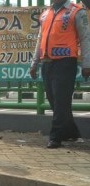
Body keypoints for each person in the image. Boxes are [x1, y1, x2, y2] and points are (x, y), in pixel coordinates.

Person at [29, 0, 90, 148]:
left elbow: (86, 38)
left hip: (65, 62)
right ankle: (72, 132)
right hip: (47, 62)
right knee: (53, 100)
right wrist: (34, 63)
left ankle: (55, 137)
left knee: (61, 101)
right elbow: (40, 39)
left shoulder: (76, 11)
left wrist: (87, 63)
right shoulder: (45, 13)